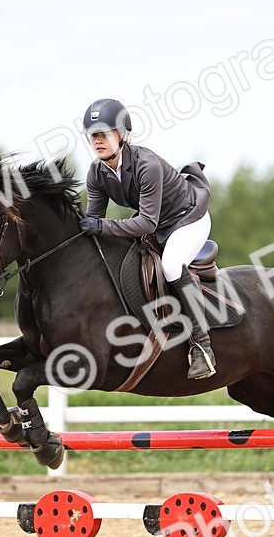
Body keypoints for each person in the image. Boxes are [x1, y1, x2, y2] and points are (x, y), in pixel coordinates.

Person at [79, 98, 217, 380]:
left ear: (122, 134)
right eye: (93, 136)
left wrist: (101, 225)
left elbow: (145, 222)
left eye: (104, 134)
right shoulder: (97, 173)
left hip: (187, 218)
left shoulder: (146, 164)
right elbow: (93, 224)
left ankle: (202, 347)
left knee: (171, 265)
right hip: (156, 228)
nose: (98, 141)